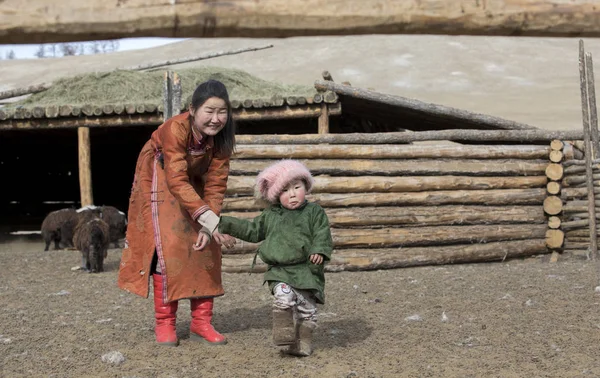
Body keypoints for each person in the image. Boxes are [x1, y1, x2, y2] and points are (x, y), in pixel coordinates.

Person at [117, 80, 237, 347]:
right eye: (209, 111)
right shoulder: (175, 128)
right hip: (160, 176)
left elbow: (217, 183)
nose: (216, 119)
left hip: (191, 181)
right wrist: (208, 219)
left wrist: (209, 226)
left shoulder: (224, 138)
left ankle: (201, 323)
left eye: (222, 112)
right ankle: (165, 323)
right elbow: (176, 179)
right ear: (192, 109)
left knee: (206, 247)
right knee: (168, 244)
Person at [218, 160, 333, 356]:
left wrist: (319, 250)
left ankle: (302, 344)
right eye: (285, 191)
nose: (293, 193)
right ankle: (284, 332)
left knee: (308, 312)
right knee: (283, 297)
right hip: (279, 270)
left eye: (297, 187)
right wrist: (224, 223)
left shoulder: (314, 212)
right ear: (275, 196)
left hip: (306, 271)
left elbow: (322, 233)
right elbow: (252, 230)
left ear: (306, 186)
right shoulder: (270, 215)